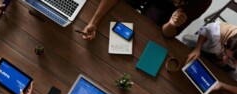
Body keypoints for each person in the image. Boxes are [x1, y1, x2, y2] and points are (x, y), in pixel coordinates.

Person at [82, 0, 211, 40]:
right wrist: (93, 22)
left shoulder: (202, 2)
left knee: (147, 31)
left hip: (161, 12)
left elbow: (169, 34)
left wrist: (172, 24)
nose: (177, 3)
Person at [185, 21, 237, 94]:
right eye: (225, 52)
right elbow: (206, 31)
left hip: (223, 74)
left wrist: (223, 86)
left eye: (231, 59)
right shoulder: (220, 33)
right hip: (205, 54)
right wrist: (197, 48)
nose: (224, 58)